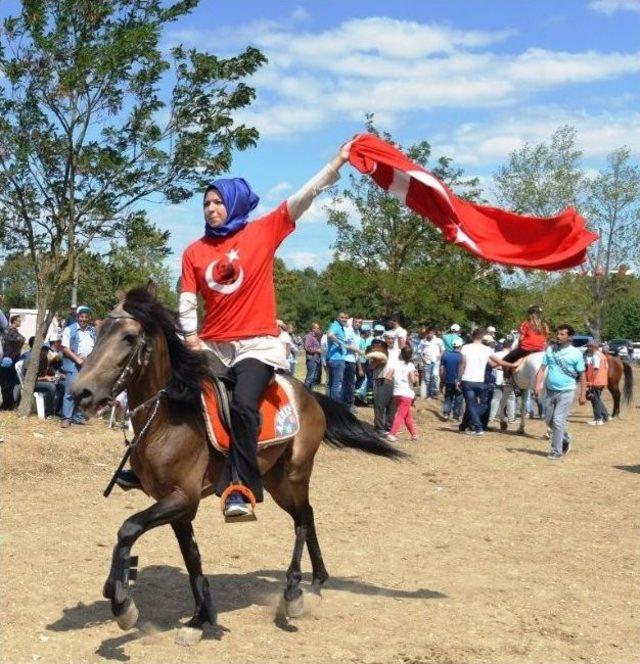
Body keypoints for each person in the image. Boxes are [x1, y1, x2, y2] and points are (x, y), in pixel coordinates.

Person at [176, 140, 354, 519]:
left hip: (256, 346)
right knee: (173, 390)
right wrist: (190, 337)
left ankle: (240, 487)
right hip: (211, 345)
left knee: (242, 405)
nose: (211, 209)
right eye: (206, 204)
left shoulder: (263, 232)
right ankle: (148, 468)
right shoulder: (194, 251)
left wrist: (338, 160)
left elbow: (304, 197)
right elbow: (188, 297)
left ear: (235, 203)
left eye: (218, 202)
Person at [534, 324, 587, 460]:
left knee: (558, 421)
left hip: (567, 391)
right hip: (550, 391)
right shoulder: (550, 350)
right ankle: (565, 436)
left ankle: (556, 451)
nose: (558, 336)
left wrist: (582, 394)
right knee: (548, 420)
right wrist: (538, 385)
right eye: (558, 333)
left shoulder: (576, 353)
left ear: (569, 337)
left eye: (562, 334)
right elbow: (542, 368)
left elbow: (582, 375)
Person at [458, 328, 515, 436]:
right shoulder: (487, 350)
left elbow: (462, 365)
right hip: (480, 381)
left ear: (472, 336)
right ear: (483, 338)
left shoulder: (465, 347)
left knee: (471, 405)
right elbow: (495, 363)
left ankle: (475, 426)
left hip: (468, 380)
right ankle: (472, 426)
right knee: (482, 405)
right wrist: (510, 364)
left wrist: (458, 378)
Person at [60, 306, 96, 426]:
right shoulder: (69, 329)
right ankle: (66, 418)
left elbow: (96, 347)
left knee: (84, 392)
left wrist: (88, 358)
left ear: (89, 318)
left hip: (88, 365)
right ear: (77, 317)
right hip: (72, 364)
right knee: (70, 391)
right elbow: (65, 348)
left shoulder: (92, 331)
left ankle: (78, 416)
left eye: (86, 317)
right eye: (81, 317)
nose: (83, 319)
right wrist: (77, 359)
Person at [502, 305, 550, 376]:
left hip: (526, 348)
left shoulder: (526, 324)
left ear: (530, 314)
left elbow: (521, 338)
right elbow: (547, 337)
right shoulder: (544, 325)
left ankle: (507, 378)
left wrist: (519, 346)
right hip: (540, 349)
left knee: (504, 360)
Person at [387, 345, 418, 442]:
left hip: (397, 393)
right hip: (407, 393)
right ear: (411, 355)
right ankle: (392, 434)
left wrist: (396, 381)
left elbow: (388, 377)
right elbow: (413, 380)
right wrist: (417, 376)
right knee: (400, 415)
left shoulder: (395, 363)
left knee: (407, 415)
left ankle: (414, 434)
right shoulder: (410, 365)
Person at [0, 314, 26, 410]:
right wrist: (14, 352)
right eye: (18, 321)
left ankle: (8, 404)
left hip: (10, 359)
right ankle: (7, 404)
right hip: (7, 360)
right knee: (6, 383)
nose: (20, 322)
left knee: (8, 383)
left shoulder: (10, 331)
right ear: (14, 321)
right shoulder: (10, 330)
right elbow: (22, 339)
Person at [584, 340, 610, 426]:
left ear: (593, 347)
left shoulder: (595, 356)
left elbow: (595, 369)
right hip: (602, 381)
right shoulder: (602, 355)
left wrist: (591, 381)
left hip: (596, 381)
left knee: (595, 400)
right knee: (598, 399)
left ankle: (598, 419)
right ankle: (606, 416)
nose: (588, 348)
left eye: (589, 346)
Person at [440, 338, 464, 420]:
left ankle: (446, 414)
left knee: (448, 397)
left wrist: (442, 380)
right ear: (460, 346)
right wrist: (459, 379)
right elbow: (461, 369)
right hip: (459, 381)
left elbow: (442, 369)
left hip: (448, 380)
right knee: (459, 398)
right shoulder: (462, 356)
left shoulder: (446, 355)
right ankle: (456, 415)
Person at [418, 328, 441, 399]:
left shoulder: (438, 340)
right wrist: (423, 358)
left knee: (435, 376)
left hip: (436, 361)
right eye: (429, 333)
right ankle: (428, 393)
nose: (430, 334)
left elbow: (443, 350)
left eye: (431, 333)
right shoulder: (423, 341)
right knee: (427, 378)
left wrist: (440, 356)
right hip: (427, 362)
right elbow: (419, 350)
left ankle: (434, 392)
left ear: (434, 333)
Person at [303, 322, 323, 390]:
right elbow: (307, 347)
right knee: (310, 377)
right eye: (316, 328)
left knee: (313, 378)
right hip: (311, 359)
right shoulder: (309, 336)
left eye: (318, 328)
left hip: (316, 359)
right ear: (312, 329)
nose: (318, 329)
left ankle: (310, 393)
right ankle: (305, 392)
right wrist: (317, 350)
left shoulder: (316, 337)